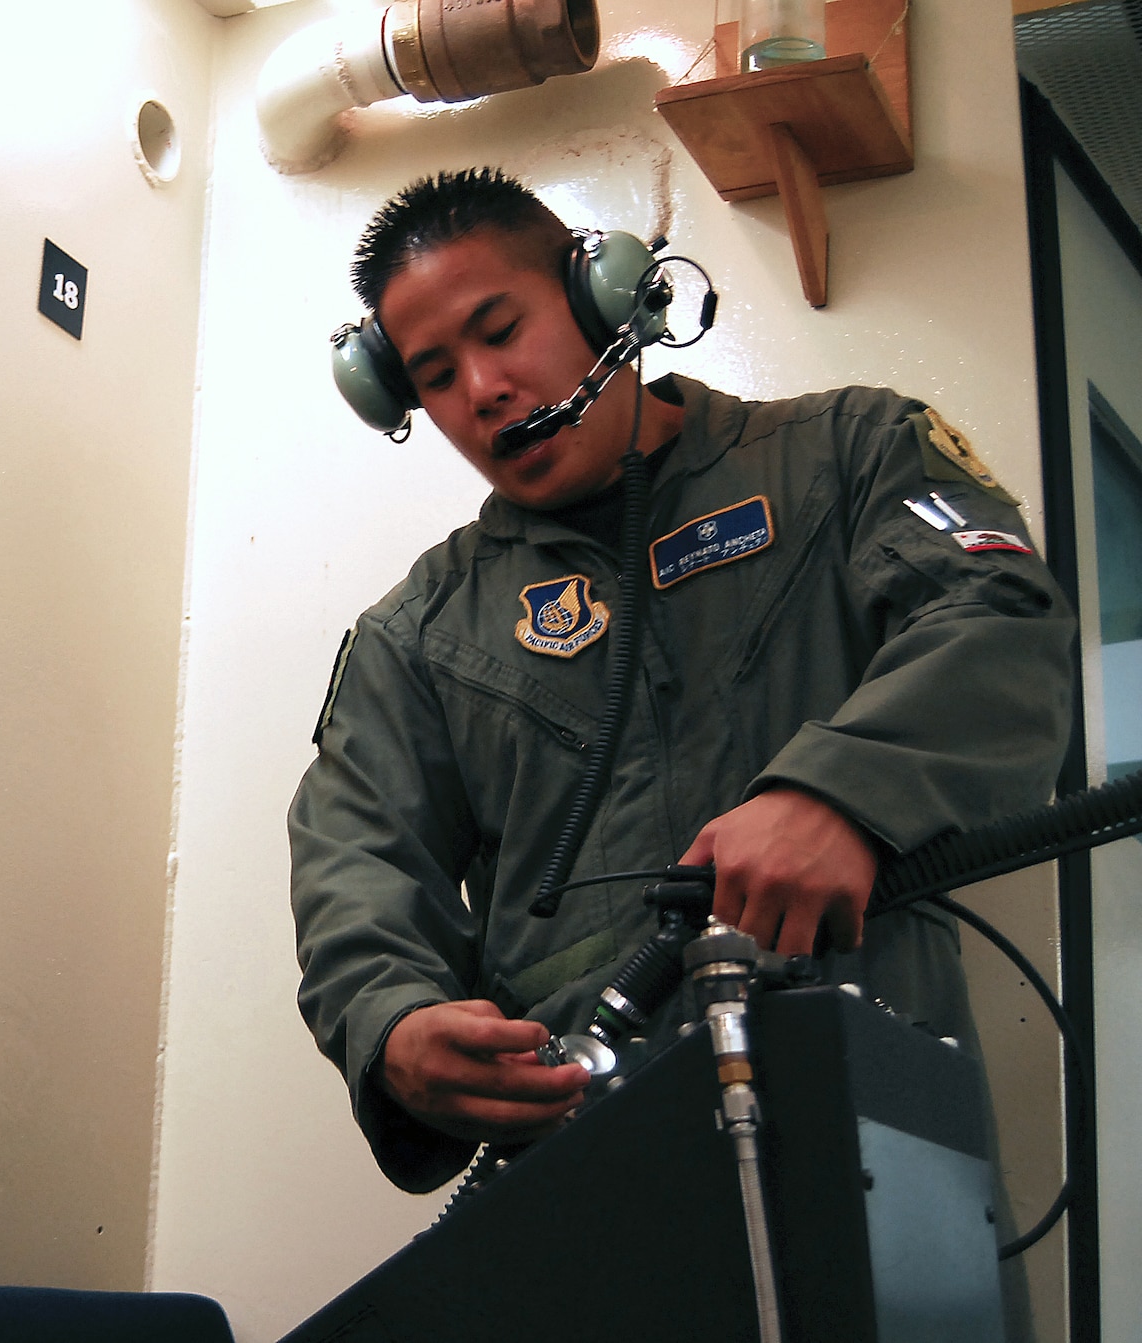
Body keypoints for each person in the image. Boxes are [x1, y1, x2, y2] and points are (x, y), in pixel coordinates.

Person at [290, 169, 1075, 1202]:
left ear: (601, 295)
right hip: (585, 1175)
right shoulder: (415, 637)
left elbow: (1001, 617)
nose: (480, 390)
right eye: (435, 374)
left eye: (499, 329)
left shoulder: (850, 456)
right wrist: (389, 1024)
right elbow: (356, 858)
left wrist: (837, 792)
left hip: (872, 1129)